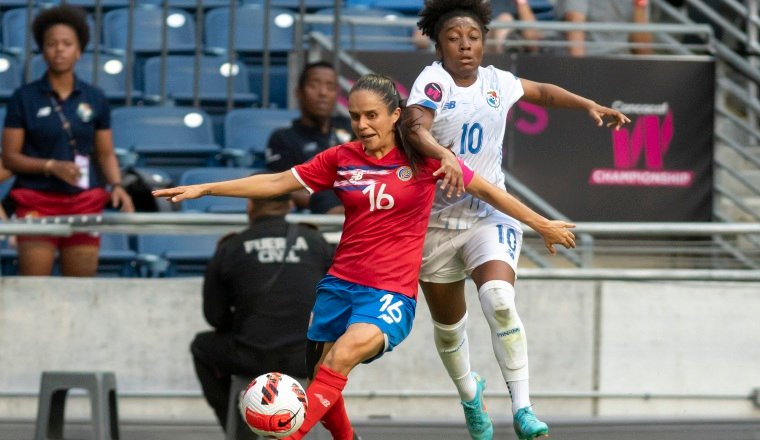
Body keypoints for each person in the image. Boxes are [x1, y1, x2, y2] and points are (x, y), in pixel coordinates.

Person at [154, 73, 576, 440]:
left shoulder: (425, 160)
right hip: (339, 284)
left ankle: (289, 435)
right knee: (323, 377)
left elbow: (487, 190)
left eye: (371, 115)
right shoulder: (340, 159)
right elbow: (280, 181)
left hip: (389, 293)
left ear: (396, 115)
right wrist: (206, 189)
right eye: (355, 116)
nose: (362, 125)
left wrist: (541, 224)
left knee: (340, 358)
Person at [403, 1, 630, 439]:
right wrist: (441, 153)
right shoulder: (432, 81)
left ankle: (523, 409)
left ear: (485, 42)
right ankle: (471, 394)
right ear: (439, 44)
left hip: (490, 214)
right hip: (434, 224)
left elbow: (542, 91)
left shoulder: (497, 82)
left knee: (500, 301)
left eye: (473, 37)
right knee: (450, 331)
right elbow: (415, 127)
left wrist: (588, 104)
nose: (465, 46)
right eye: (454, 38)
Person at [190, 182, 333, 438]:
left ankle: (238, 426)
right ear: (289, 205)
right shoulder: (316, 241)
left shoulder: (231, 247)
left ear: (249, 205)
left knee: (201, 347)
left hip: (252, 357)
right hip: (307, 359)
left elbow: (215, 317)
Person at [1, 4, 133, 276]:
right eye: (51, 44)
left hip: (84, 201)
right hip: (36, 201)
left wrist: (117, 184)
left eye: (67, 43)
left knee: (80, 290)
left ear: (79, 50)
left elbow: (105, 153)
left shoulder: (94, 97)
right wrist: (51, 166)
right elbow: (10, 157)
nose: (59, 49)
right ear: (42, 49)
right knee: (35, 289)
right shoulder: (24, 98)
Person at [265, 61, 353, 214]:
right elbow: (286, 188)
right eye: (314, 85)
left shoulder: (353, 128)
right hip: (319, 214)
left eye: (330, 87)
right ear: (299, 92)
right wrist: (327, 202)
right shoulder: (284, 138)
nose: (323, 93)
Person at [413, 0, 543, 54]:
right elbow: (419, 38)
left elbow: (532, 40)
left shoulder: (507, 2)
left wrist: (521, 2)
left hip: (494, 58)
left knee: (505, 20)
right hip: (455, 56)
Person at [555, 0, 654, 56]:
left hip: (620, 60)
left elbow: (643, 51)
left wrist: (639, 5)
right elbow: (575, 25)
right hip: (587, 59)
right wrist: (580, 72)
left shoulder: (640, 2)